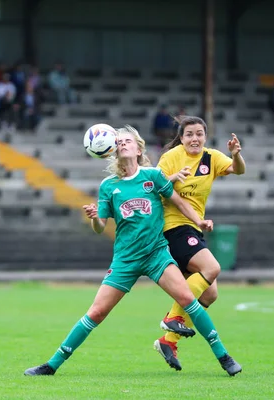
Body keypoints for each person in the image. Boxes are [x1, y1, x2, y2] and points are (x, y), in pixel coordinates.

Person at [24, 125, 242, 377]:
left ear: (139, 149)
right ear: (114, 151)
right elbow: (100, 228)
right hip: (126, 259)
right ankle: (52, 364)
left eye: (128, 140)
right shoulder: (108, 186)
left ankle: (223, 356)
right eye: (119, 142)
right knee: (96, 312)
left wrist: (199, 222)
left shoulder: (154, 177)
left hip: (157, 255)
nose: (123, 143)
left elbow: (179, 202)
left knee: (189, 301)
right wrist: (95, 217)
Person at [153, 116, 246, 371]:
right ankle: (171, 319)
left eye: (199, 134)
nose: (195, 138)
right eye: (189, 134)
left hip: (194, 228)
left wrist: (236, 154)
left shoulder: (211, 157)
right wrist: (173, 176)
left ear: (205, 136)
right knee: (212, 267)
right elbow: (151, 186)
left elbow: (239, 170)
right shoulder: (171, 156)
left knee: (210, 294)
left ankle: (168, 340)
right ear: (181, 138)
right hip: (172, 227)